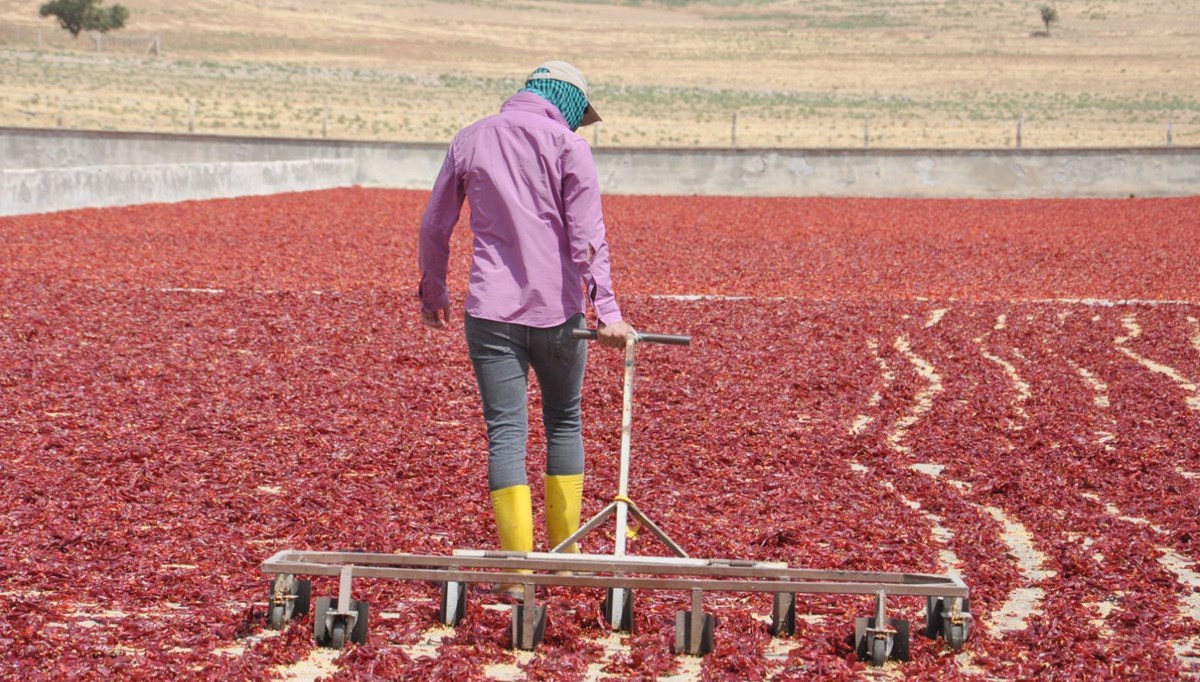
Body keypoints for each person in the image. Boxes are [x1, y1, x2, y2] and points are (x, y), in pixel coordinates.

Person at [417, 60, 633, 596]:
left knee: (506, 435)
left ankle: (516, 573)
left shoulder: (470, 138)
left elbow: (434, 223)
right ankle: (565, 560)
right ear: (564, 101)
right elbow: (588, 238)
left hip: (489, 311)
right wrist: (606, 312)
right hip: (559, 314)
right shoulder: (569, 147)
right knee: (564, 421)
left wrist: (433, 291)